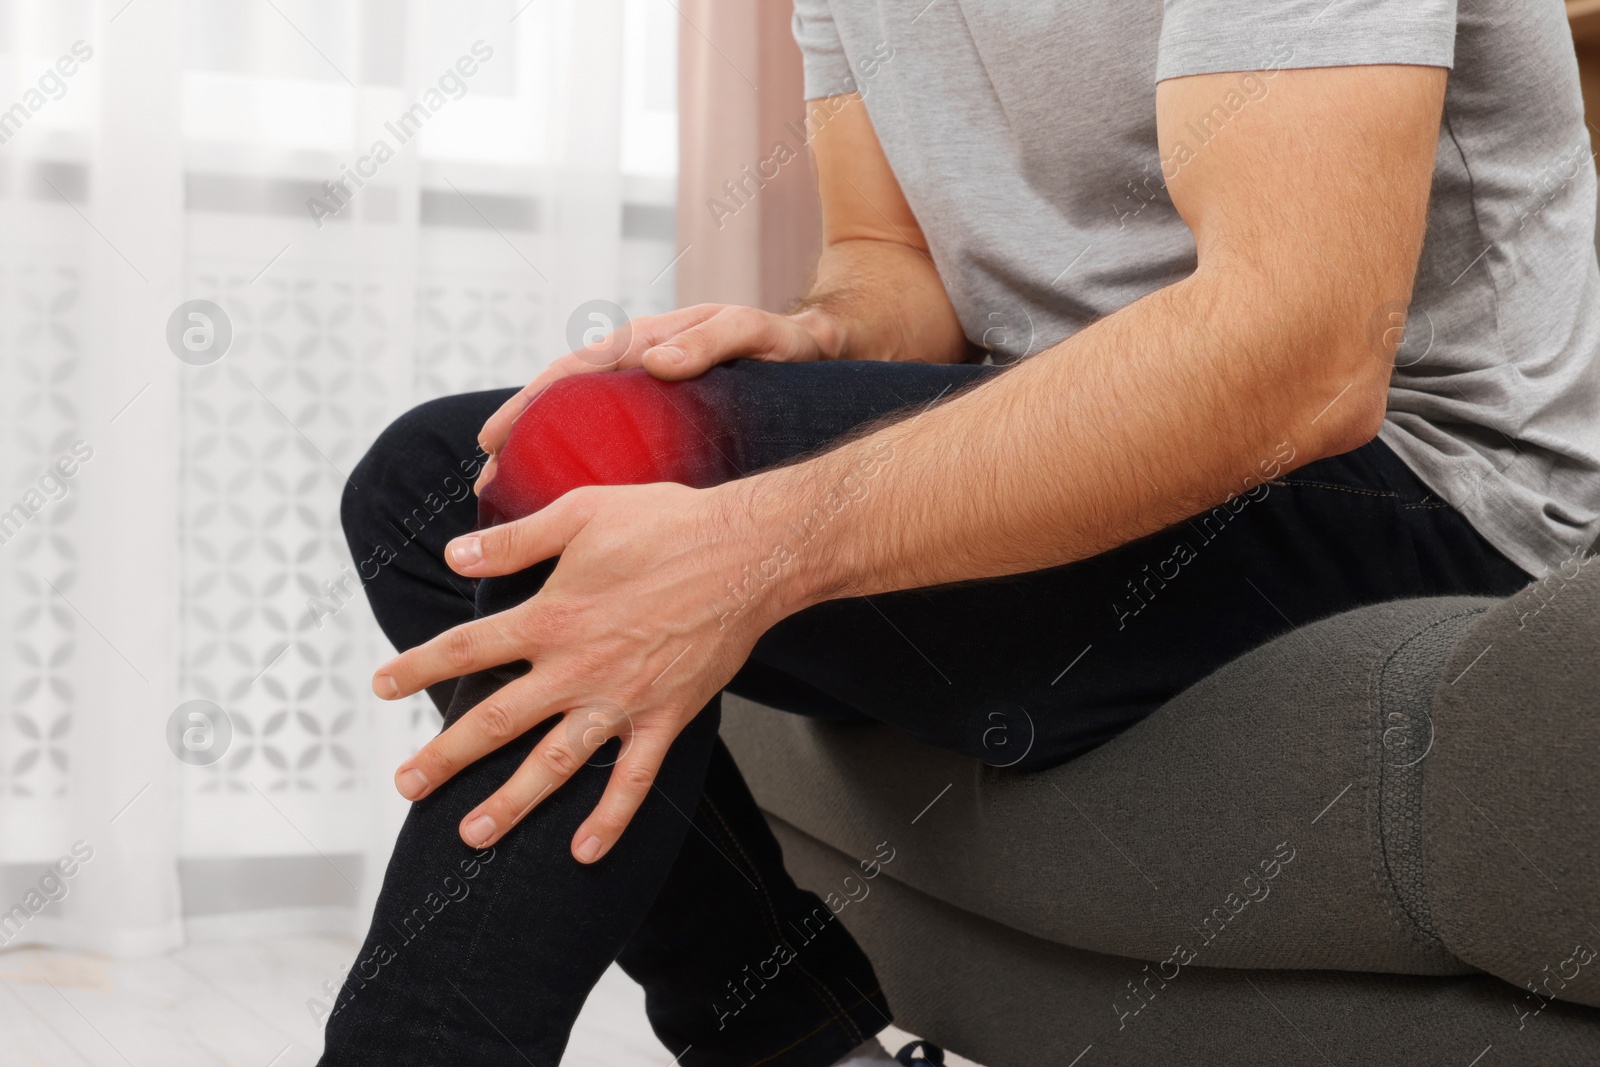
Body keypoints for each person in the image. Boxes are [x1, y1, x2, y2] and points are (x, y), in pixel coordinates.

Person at [320, 0, 1600, 1064]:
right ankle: (795, 1044)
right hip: (1070, 433)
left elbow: (1296, 360)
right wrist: (825, 330)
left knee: (570, 460)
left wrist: (758, 540)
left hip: (1416, 482)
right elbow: (894, 257)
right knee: (443, 484)